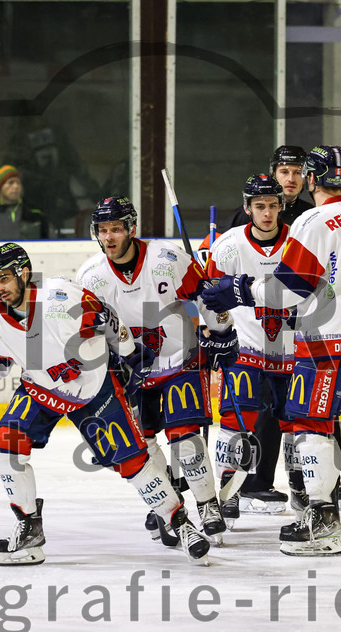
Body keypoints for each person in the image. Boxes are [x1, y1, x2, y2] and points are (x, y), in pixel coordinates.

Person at [0, 242, 211, 564]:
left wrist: (128, 354)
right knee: (6, 444)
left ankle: (180, 523)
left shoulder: (60, 297)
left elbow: (106, 317)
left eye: (4, 278)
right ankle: (29, 531)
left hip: (94, 389)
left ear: (23, 273)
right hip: (41, 390)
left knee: (132, 463)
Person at [202, 145, 341, 555]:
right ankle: (320, 504)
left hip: (323, 340)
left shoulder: (313, 222)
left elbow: (287, 289)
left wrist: (239, 289)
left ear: (312, 178)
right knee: (312, 421)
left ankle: (321, 521)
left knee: (310, 423)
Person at [76, 196, 238, 545]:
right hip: (133, 370)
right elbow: (92, 330)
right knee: (145, 443)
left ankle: (208, 504)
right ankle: (167, 507)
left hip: (180, 358)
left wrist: (222, 332)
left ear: (131, 229)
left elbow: (207, 295)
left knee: (185, 438)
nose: (109, 237)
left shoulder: (167, 259)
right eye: (103, 230)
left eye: (116, 229)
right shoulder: (90, 276)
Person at [205, 174, 298, 525]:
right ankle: (227, 491)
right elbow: (211, 297)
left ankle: (303, 487)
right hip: (244, 350)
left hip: (291, 351)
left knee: (297, 424)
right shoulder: (228, 246)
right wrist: (215, 335)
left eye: (273, 205)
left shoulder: (299, 243)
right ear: (247, 208)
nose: (268, 213)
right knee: (233, 421)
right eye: (260, 206)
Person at [222, 145, 314, 233]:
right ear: (273, 174)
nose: (291, 179)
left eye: (297, 173)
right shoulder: (246, 215)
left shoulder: (311, 215)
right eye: (284, 172)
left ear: (306, 177)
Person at [0, 164, 51, 240]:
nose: (16, 187)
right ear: (0, 187)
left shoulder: (35, 213)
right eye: (10, 182)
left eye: (18, 183)